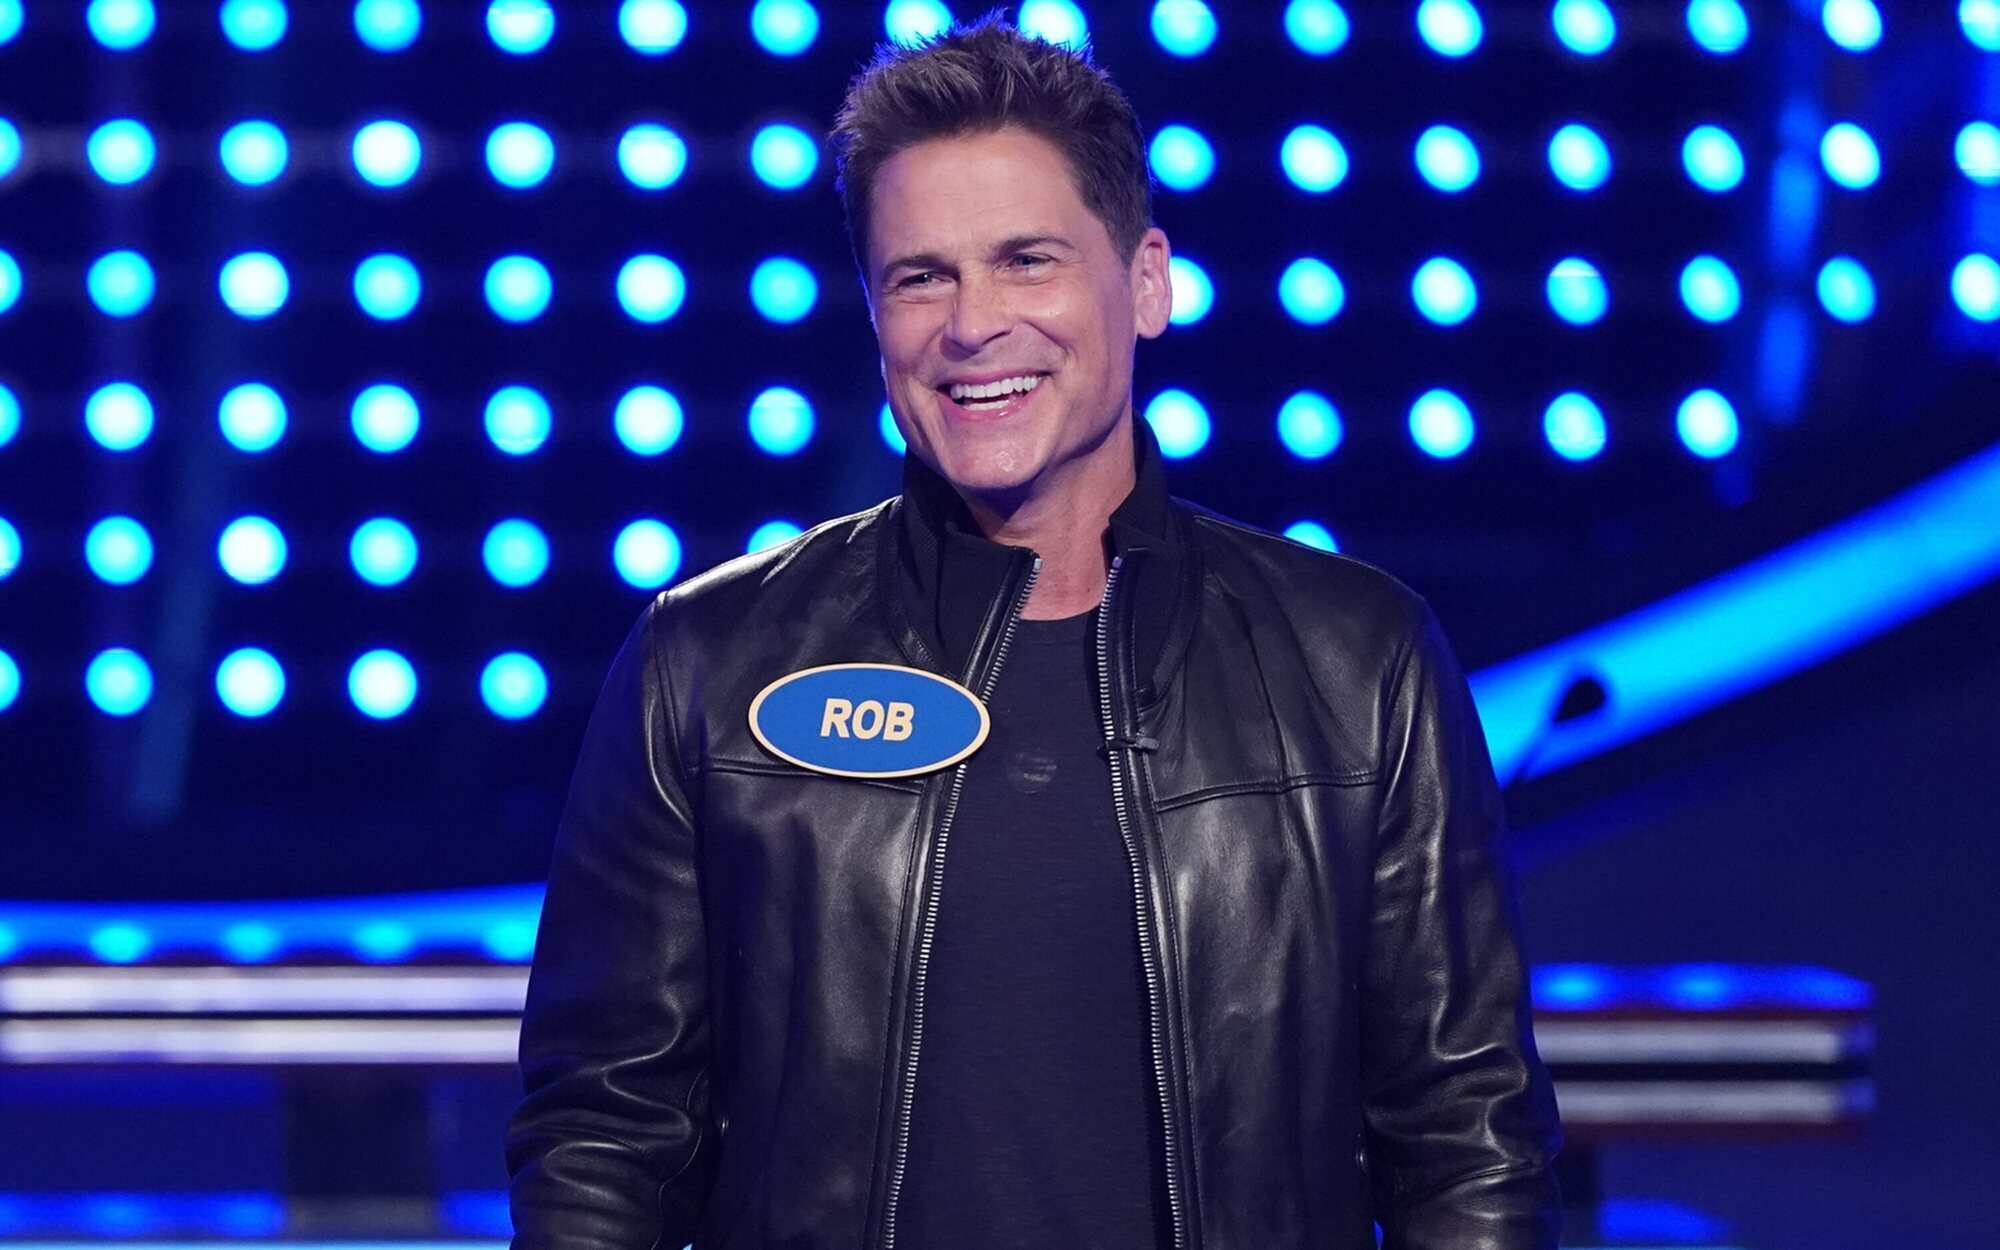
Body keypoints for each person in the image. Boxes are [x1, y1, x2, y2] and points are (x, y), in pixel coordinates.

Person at [506, 15, 1561, 1250]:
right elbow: (603, 1137)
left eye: (1025, 261)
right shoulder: (707, 663)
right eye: (920, 276)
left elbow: (1465, 1142)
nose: (971, 325)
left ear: (1147, 281)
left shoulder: (1358, 662)